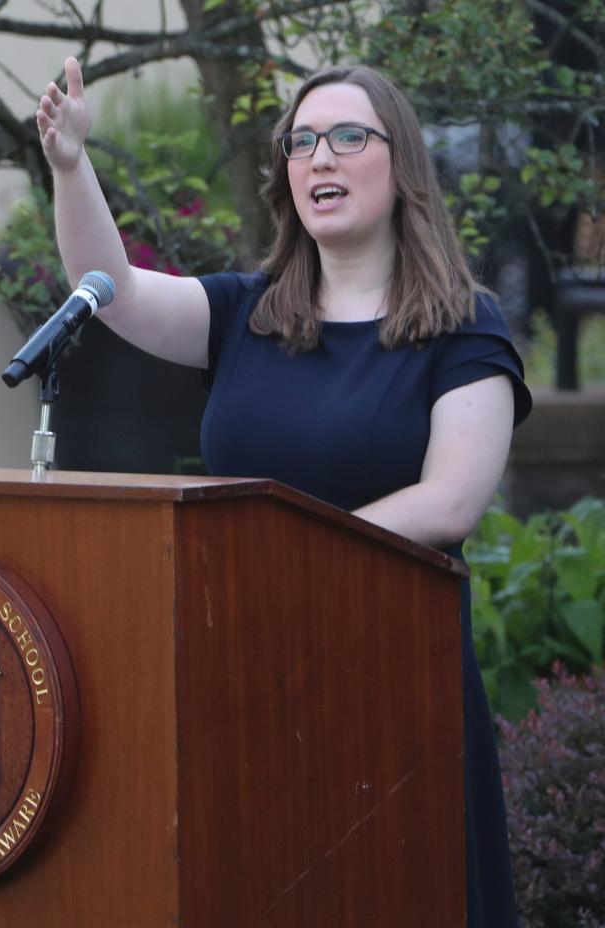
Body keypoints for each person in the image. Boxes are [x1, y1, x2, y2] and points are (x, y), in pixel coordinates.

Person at [37, 56, 530, 928]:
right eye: (302, 143)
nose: (320, 158)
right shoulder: (245, 315)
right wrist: (73, 165)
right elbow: (110, 293)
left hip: (387, 680)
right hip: (248, 675)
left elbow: (450, 502)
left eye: (348, 137)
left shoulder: (462, 325)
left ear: (401, 164)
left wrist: (279, 552)